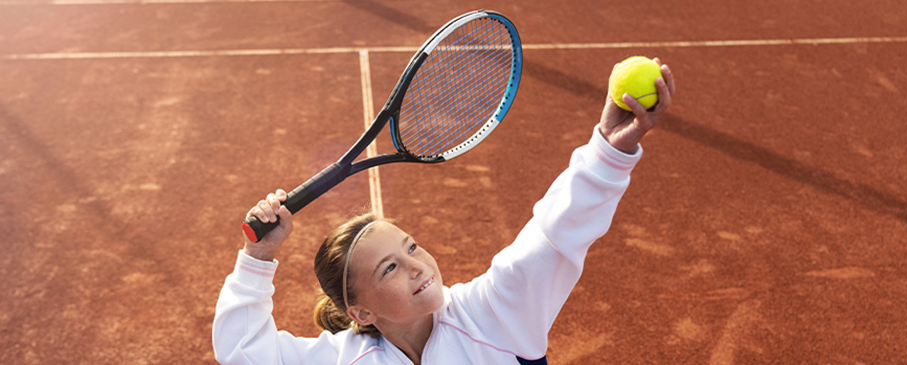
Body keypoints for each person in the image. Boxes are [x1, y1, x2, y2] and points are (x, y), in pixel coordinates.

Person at [213, 58, 676, 364]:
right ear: (361, 312)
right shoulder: (345, 358)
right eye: (390, 267)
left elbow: (555, 233)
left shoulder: (494, 312)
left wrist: (608, 152)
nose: (418, 266)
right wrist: (258, 260)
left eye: (411, 247)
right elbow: (242, 353)